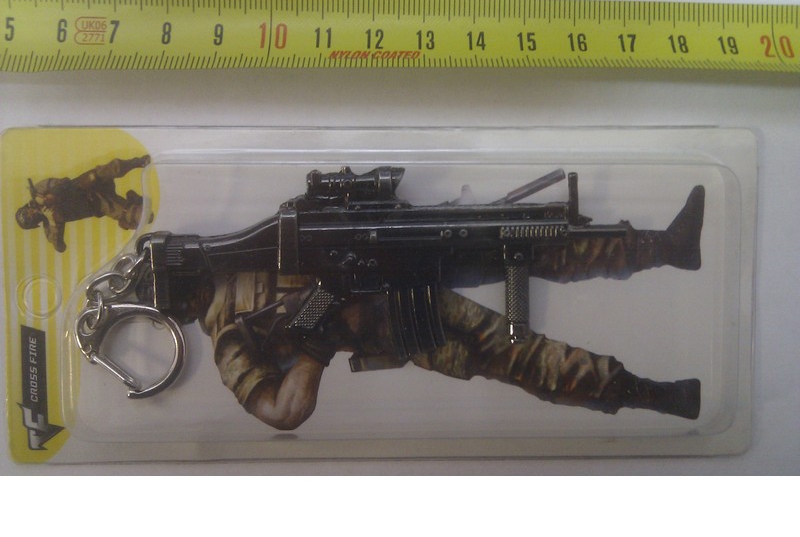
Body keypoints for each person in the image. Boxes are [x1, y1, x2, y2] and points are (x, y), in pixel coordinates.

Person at [196, 185, 705, 430]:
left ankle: (666, 247)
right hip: (398, 321)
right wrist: (317, 345)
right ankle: (652, 395)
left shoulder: (241, 247)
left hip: (395, 253)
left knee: (518, 235)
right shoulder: (229, 339)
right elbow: (283, 412)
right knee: (516, 353)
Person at [16, 155, 151, 252]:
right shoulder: (50, 224)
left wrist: (52, 196)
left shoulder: (39, 190)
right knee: (142, 216)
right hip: (99, 203)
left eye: (29, 211)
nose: (34, 212)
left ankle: (138, 162)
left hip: (89, 183)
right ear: (37, 222)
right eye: (33, 217)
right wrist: (53, 222)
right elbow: (60, 247)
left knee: (110, 169)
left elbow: (64, 182)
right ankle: (134, 201)